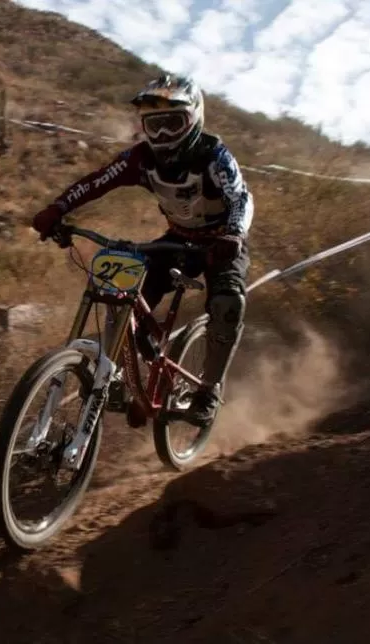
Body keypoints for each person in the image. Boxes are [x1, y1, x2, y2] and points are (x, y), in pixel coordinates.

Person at [31, 72, 253, 427]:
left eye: (173, 123)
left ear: (194, 120)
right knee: (123, 298)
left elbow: (240, 197)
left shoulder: (214, 155)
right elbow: (97, 181)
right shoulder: (140, 158)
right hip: (177, 238)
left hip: (222, 242)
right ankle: (130, 367)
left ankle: (208, 390)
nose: (163, 135)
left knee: (227, 303)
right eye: (155, 125)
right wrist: (58, 208)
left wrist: (234, 234)